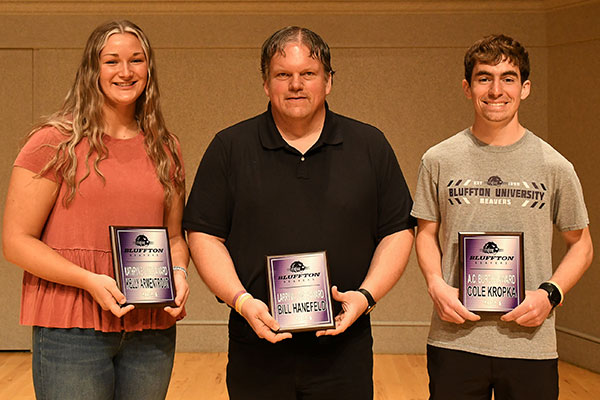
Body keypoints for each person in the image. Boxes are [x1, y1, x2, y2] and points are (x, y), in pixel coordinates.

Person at [183, 26, 415, 399]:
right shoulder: (229, 147)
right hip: (256, 344)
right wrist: (242, 301)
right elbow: (203, 234)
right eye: (282, 74)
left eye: (308, 73)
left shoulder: (369, 145)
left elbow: (398, 230)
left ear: (328, 82)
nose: (295, 84)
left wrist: (366, 297)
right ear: (265, 83)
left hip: (344, 346)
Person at [2, 20, 189, 399]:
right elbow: (16, 242)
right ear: (92, 69)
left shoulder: (166, 147)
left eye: (136, 60)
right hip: (71, 330)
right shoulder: (53, 142)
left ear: (148, 70)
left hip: (149, 329)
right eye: (112, 61)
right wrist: (89, 280)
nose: (125, 71)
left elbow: (173, 237)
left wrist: (180, 272)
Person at [411, 34, 593, 400]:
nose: (496, 90)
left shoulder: (554, 165)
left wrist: (550, 295)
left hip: (531, 343)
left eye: (508, 78)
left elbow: (582, 245)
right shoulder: (438, 159)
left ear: (525, 88)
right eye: (484, 78)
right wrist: (435, 284)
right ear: (467, 87)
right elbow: (425, 233)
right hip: (455, 337)